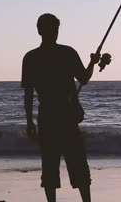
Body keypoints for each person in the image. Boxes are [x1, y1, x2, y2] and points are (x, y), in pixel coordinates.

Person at [21, 13, 100, 202]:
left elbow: (29, 94)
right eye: (53, 29)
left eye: (55, 29)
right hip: (67, 117)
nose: (54, 33)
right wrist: (92, 63)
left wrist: (29, 121)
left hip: (47, 117)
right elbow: (84, 79)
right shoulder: (67, 53)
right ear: (42, 31)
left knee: (49, 166)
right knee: (78, 165)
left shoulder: (31, 57)